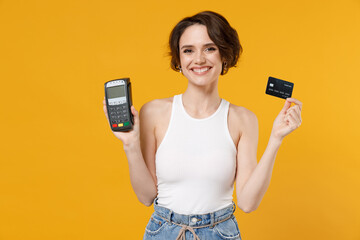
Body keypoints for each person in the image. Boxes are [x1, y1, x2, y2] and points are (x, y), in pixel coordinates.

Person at [103, 10, 303, 240]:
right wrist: (130, 145)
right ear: (179, 60)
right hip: (163, 232)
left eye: (210, 48)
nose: (198, 59)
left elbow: (248, 203)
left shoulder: (244, 119)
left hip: (220, 233)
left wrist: (276, 139)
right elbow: (146, 196)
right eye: (188, 50)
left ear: (224, 56)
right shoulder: (153, 112)